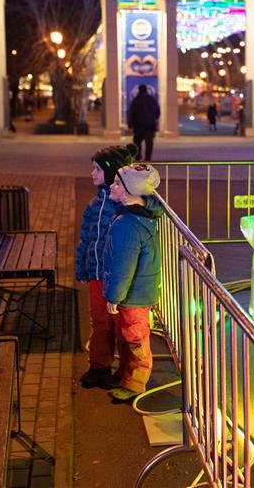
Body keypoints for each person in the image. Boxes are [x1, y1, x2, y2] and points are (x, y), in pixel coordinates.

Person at [75, 143, 138, 389]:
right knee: (99, 321)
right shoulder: (93, 205)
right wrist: (82, 266)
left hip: (116, 277)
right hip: (96, 274)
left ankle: (125, 371)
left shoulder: (123, 205)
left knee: (121, 325)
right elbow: (86, 239)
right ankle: (99, 366)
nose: (92, 174)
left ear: (111, 173)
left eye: (98, 170)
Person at [102, 164, 163, 402]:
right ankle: (127, 376)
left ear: (129, 191)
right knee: (129, 336)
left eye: (117, 183)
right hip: (137, 292)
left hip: (132, 295)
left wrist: (114, 297)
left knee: (135, 339)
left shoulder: (127, 225)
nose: (112, 186)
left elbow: (123, 266)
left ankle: (135, 384)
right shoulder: (139, 217)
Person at [127, 85, 159, 161]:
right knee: (149, 143)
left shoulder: (135, 100)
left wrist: (130, 125)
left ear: (139, 90)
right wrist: (155, 119)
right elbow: (157, 110)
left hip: (138, 126)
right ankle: (148, 158)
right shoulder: (152, 99)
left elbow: (131, 113)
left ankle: (138, 157)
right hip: (149, 126)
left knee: (137, 142)